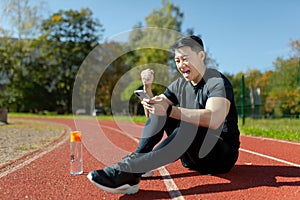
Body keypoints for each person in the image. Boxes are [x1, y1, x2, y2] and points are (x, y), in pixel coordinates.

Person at [87, 35, 240, 194]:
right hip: (191, 157)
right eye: (177, 60)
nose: (181, 65)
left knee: (185, 123)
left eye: (185, 59)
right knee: (162, 107)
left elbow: (215, 119)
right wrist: (148, 91)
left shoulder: (216, 81)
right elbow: (155, 117)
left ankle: (130, 170)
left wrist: (169, 110)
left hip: (220, 156)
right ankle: (137, 162)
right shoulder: (180, 84)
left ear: (201, 56)